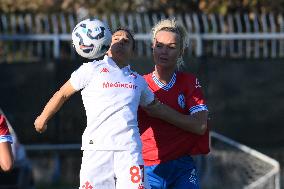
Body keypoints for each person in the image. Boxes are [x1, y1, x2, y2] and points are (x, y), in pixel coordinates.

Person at [34, 27, 159, 189]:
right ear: (107, 46)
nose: (121, 42)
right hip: (97, 149)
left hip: (129, 151)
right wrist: (43, 117)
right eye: (116, 39)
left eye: (126, 41)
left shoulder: (138, 80)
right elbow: (62, 94)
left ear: (132, 52)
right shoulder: (90, 69)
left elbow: (156, 108)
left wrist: (186, 121)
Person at [138, 18, 210, 189]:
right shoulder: (138, 84)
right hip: (147, 167)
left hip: (181, 166)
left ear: (180, 52)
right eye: (160, 45)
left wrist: (162, 111)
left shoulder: (189, 82)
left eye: (171, 47)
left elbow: (200, 125)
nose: (164, 51)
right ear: (152, 47)